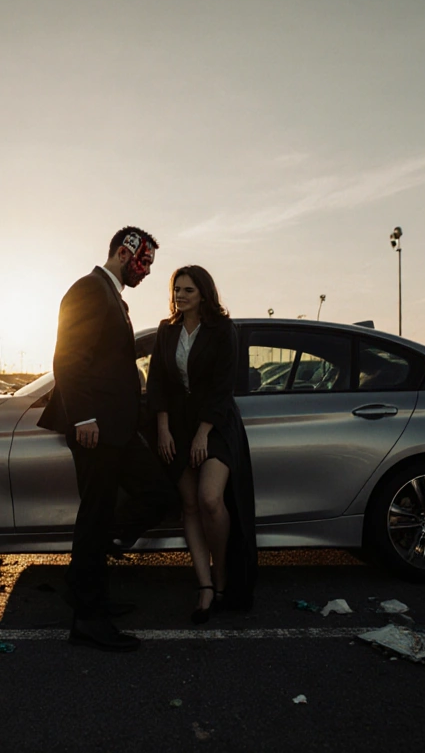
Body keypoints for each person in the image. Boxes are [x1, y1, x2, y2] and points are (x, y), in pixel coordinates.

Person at [38, 226, 176, 652]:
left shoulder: (111, 294)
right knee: (95, 516)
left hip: (116, 428)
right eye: (145, 262)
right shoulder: (89, 290)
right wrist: (84, 418)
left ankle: (84, 580)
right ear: (124, 252)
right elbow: (67, 357)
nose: (148, 271)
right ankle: (89, 618)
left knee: (153, 493)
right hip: (96, 428)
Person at [146, 265, 257, 623]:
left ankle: (223, 576)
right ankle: (205, 586)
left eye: (188, 290)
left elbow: (225, 385)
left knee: (211, 499)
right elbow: (158, 382)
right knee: (190, 505)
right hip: (176, 425)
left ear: (204, 294)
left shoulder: (224, 330)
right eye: (177, 289)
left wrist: (203, 432)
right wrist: (163, 429)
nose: (180, 295)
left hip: (217, 423)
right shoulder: (167, 330)